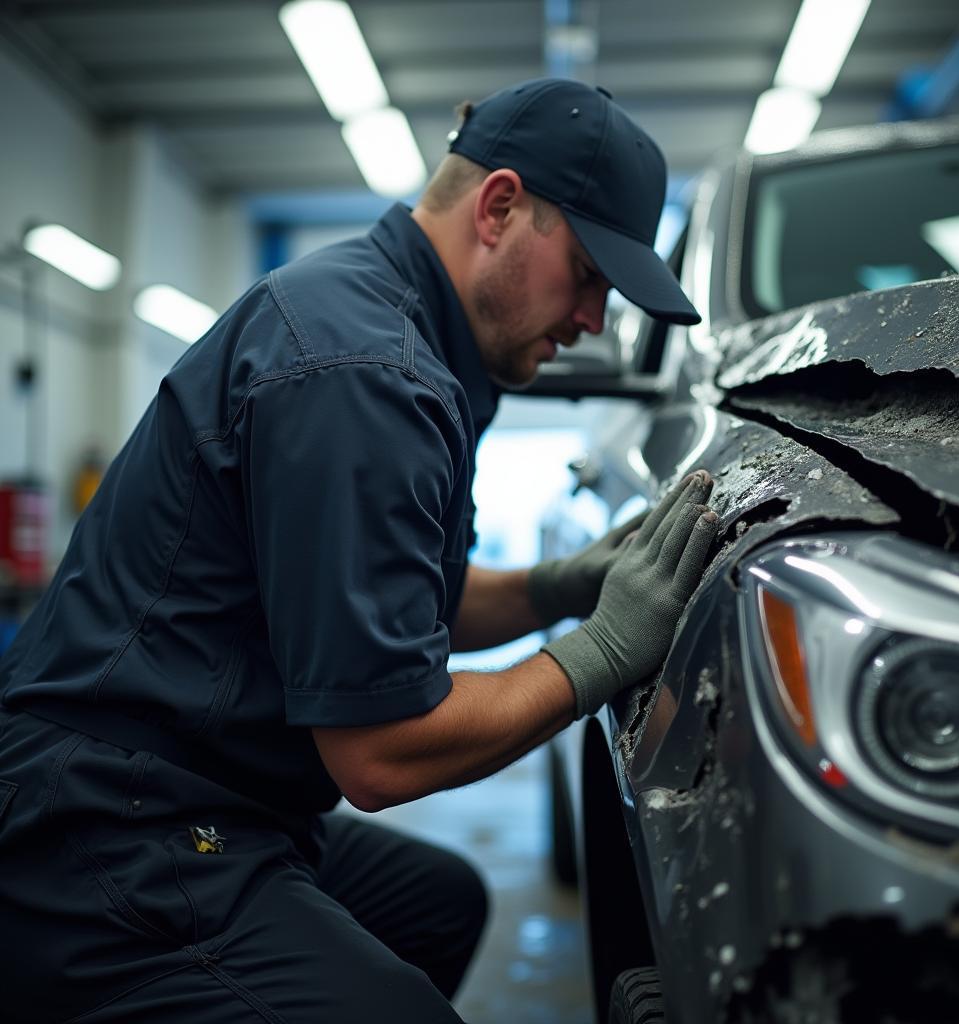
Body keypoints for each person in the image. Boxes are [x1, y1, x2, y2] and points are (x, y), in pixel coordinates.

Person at [0, 79, 717, 1022]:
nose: (593, 319)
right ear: (499, 207)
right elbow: (382, 753)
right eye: (588, 272)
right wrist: (600, 653)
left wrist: (562, 585)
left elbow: (404, 607)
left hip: (218, 799)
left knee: (438, 905)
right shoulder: (361, 371)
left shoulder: (407, 335)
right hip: (108, 826)